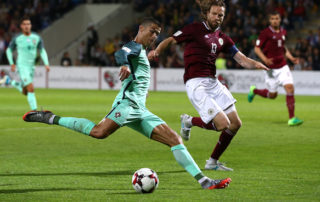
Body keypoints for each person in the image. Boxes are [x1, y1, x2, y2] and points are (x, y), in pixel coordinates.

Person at [23, 17, 231, 190]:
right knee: (99, 132)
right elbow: (120, 53)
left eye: (157, 33)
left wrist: (142, 91)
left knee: (175, 139)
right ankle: (50, 118)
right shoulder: (133, 46)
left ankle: (204, 182)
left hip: (139, 108)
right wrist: (124, 65)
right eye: (152, 31)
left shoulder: (142, 51)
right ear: (141, 29)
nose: (154, 36)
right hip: (127, 105)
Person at [148, 0, 268, 171]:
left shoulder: (222, 38)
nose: (217, 18)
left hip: (213, 82)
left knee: (235, 124)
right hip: (196, 83)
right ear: (206, 14)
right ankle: (189, 121)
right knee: (222, 124)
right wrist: (158, 50)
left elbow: (241, 59)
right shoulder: (194, 29)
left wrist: (256, 64)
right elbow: (170, 40)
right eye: (214, 14)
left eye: (221, 15)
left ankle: (212, 162)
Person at [248, 11, 303, 126]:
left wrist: (291, 58)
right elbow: (257, 49)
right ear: (269, 20)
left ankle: (292, 118)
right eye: (272, 18)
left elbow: (283, 47)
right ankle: (254, 90)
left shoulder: (283, 31)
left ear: (280, 19)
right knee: (273, 95)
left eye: (277, 18)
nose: (275, 20)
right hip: (270, 70)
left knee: (290, 88)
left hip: (283, 66)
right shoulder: (265, 33)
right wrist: (265, 60)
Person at [0, 16, 50, 111]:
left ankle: (11, 82)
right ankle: (35, 111)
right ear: (21, 26)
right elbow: (9, 51)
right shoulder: (17, 38)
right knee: (31, 88)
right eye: (24, 24)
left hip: (32, 66)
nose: (27, 26)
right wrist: (12, 63)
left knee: (26, 91)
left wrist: (46, 64)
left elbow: (42, 51)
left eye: (28, 24)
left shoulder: (36, 37)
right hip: (22, 66)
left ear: (31, 25)